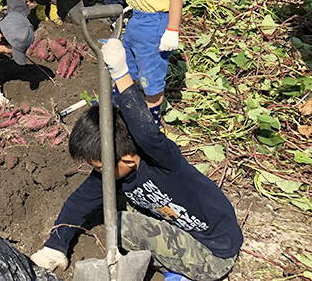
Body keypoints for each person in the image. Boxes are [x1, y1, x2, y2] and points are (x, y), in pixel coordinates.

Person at [30, 38, 243, 281]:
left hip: (213, 254)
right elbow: (79, 202)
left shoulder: (164, 162)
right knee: (110, 200)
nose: (100, 173)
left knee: (119, 225)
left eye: (101, 167)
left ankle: (179, 273)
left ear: (129, 159)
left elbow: (147, 132)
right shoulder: (115, 166)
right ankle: (168, 259)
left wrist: (121, 74)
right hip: (182, 228)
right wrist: (54, 247)